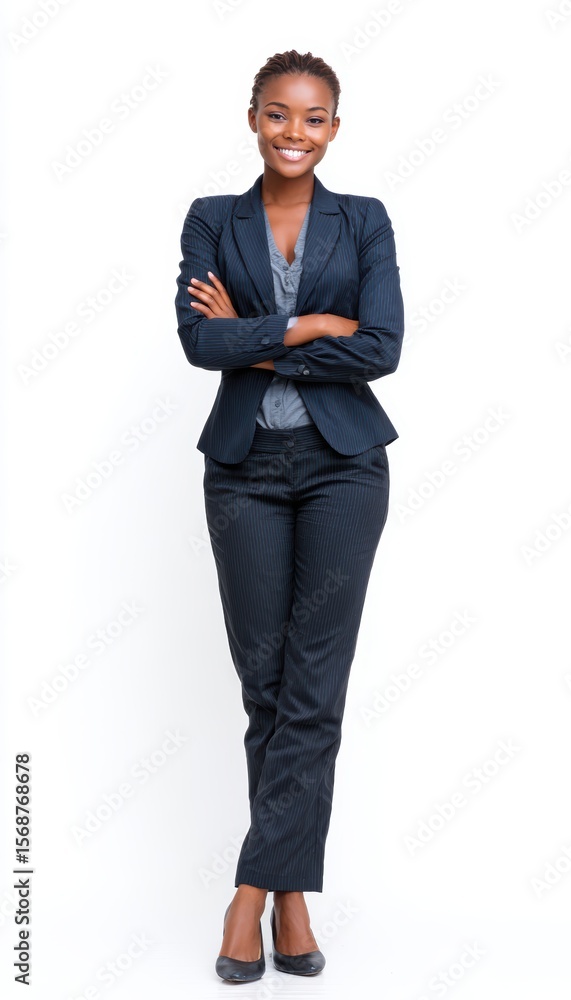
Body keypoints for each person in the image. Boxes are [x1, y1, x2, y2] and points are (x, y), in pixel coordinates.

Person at [174, 49, 405, 983]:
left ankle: (253, 894)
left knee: (313, 687)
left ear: (334, 129)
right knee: (265, 687)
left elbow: (381, 347)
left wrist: (255, 337)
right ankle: (293, 894)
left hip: (343, 467)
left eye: (313, 118)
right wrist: (309, 326)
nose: (293, 133)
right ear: (253, 119)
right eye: (278, 114)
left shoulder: (365, 219)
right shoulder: (210, 219)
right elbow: (200, 341)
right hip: (242, 471)